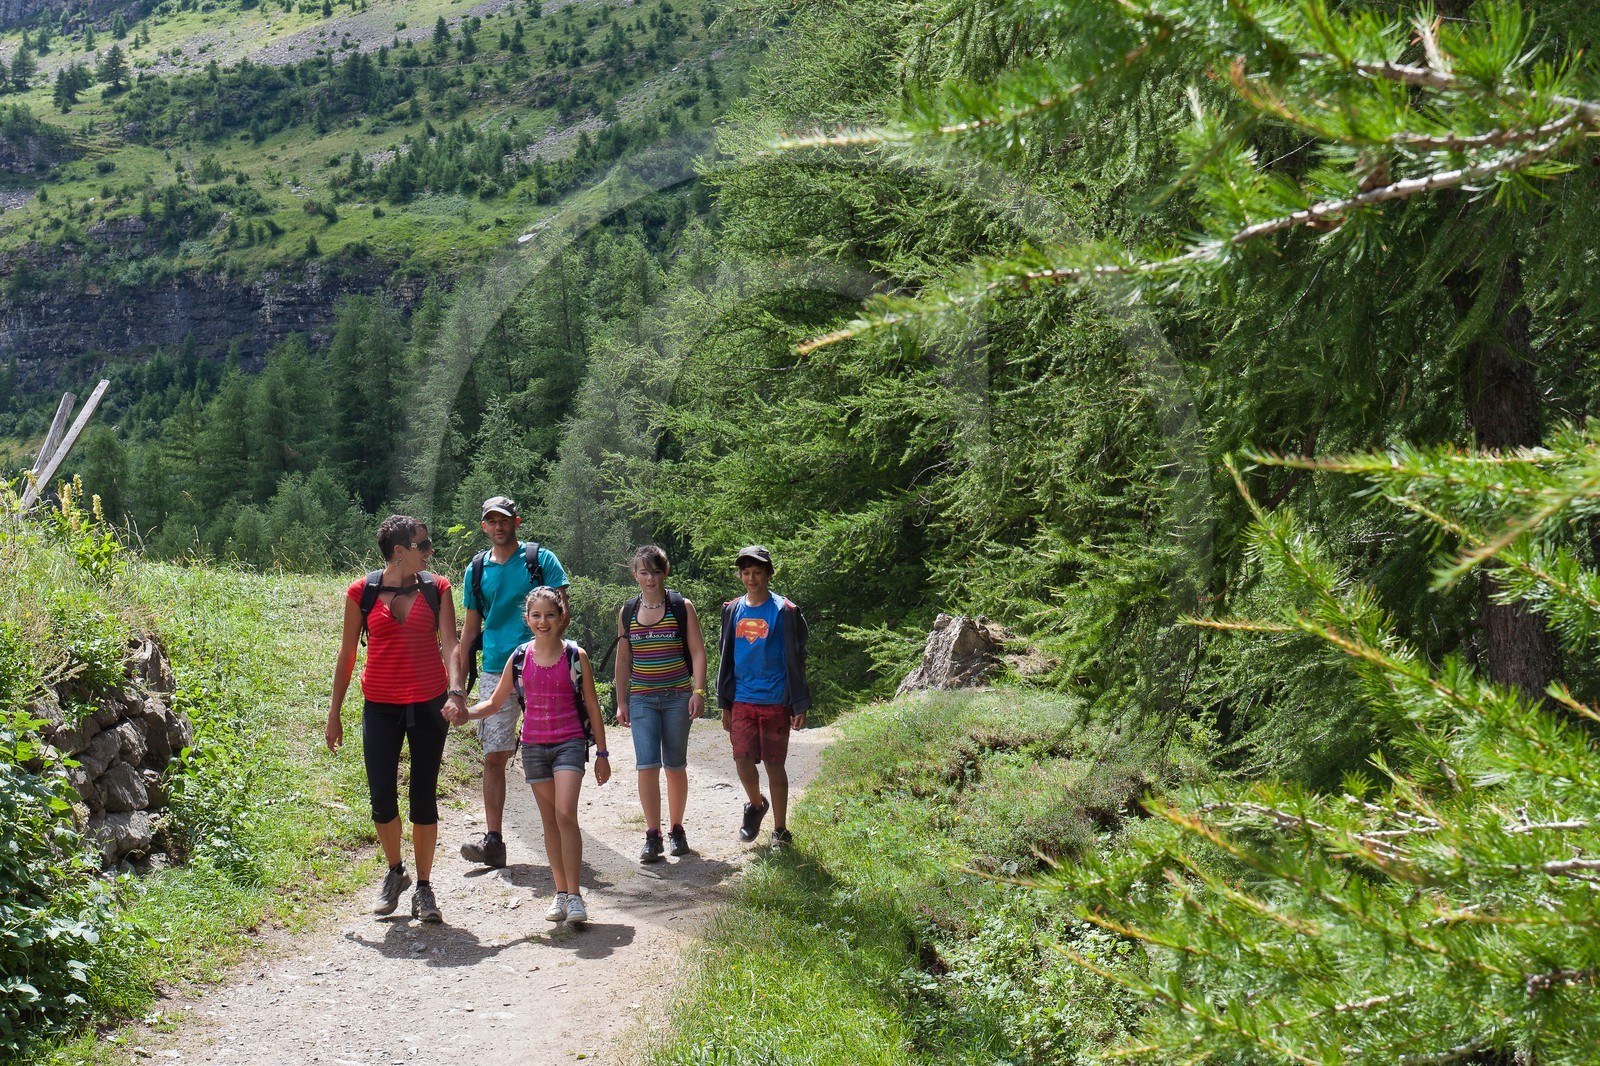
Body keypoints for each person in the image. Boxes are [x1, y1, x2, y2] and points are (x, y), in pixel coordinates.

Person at [327, 516, 465, 923]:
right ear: (400, 552)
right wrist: (334, 712)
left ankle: (424, 887)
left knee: (423, 795)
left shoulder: (437, 588)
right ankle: (395, 872)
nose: (430, 551)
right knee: (381, 796)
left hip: (429, 703)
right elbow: (348, 653)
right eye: (423, 545)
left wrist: (456, 691)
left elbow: (451, 644)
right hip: (381, 705)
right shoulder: (362, 591)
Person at [463, 587, 610, 924]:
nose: (543, 621)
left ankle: (575, 897)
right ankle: (560, 893)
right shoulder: (518, 658)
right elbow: (495, 703)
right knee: (549, 822)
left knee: (565, 816)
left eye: (550, 615)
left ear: (561, 618)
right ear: (527, 619)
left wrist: (601, 752)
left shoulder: (576, 656)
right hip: (533, 746)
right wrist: (464, 713)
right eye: (536, 615)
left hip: (569, 743)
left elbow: (592, 706)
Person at [451, 495, 569, 870]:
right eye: (491, 521)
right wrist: (456, 686)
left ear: (516, 521)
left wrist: (547, 651)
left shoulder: (540, 560)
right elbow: (470, 630)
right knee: (494, 755)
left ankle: (560, 832)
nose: (498, 526)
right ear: (484, 525)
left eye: (504, 520)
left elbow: (561, 609)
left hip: (544, 666)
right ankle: (494, 841)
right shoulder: (476, 569)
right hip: (495, 668)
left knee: (554, 748)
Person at [615, 545, 707, 863]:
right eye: (644, 572)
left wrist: (699, 691)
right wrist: (620, 701)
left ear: (665, 572)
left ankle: (677, 830)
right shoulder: (627, 612)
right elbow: (623, 659)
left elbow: (697, 651)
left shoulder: (681, 606)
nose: (650, 578)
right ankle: (652, 836)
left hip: (678, 696)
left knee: (675, 765)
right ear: (635, 575)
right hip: (641, 698)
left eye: (655, 571)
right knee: (647, 765)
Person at [717, 545, 811, 853]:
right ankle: (756, 805)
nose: (751, 578)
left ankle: (780, 831)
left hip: (776, 700)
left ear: (768, 574)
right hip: (742, 698)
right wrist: (725, 703)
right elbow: (725, 657)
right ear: (740, 575)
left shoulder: (785, 611)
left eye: (758, 572)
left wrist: (798, 703)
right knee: (741, 757)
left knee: (774, 763)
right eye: (746, 572)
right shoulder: (732, 609)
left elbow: (798, 658)